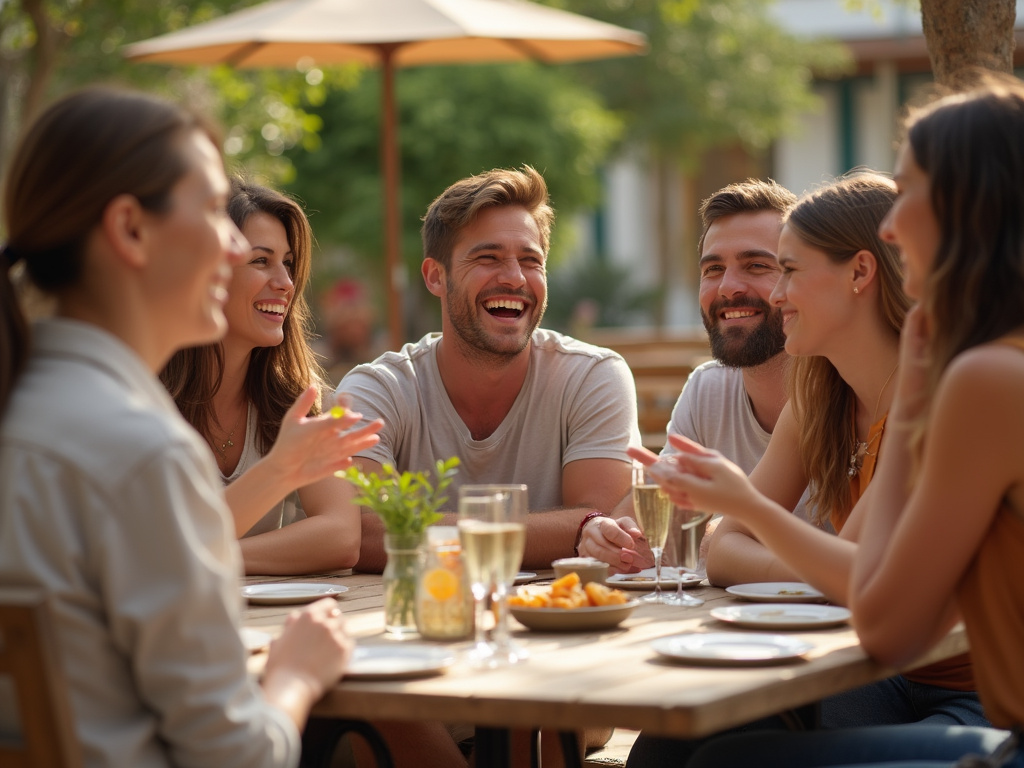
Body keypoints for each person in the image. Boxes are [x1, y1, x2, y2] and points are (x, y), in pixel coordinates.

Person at [649, 73, 1024, 768]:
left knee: (717, 761)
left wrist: (739, 504)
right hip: (912, 684)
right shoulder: (968, 362)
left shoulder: (986, 378)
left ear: (968, 208)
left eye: (909, 192)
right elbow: (881, 609)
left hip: (999, 727)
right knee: (681, 743)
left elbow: (883, 619)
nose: (890, 224)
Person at [0, 86, 352, 768]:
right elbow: (239, 759)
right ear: (131, 229)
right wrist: (299, 675)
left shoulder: (31, 413)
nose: (232, 249)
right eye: (217, 213)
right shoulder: (141, 452)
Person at [336, 165, 641, 573]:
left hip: (560, 624)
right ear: (435, 276)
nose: (514, 278)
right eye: (488, 258)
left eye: (531, 261)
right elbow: (364, 531)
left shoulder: (592, 376)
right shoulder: (378, 389)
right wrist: (564, 529)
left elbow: (600, 524)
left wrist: (420, 534)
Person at [578, 178, 813, 576]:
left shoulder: (849, 394)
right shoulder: (709, 389)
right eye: (713, 269)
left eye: (756, 266)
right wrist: (611, 537)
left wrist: (718, 541)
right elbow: (651, 526)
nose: (728, 288)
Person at [161, 179, 382, 575]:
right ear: (208, 272)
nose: (285, 283)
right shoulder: (148, 399)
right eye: (261, 261)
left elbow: (341, 537)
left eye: (289, 263)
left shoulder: (294, 402)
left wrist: (210, 557)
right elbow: (150, 551)